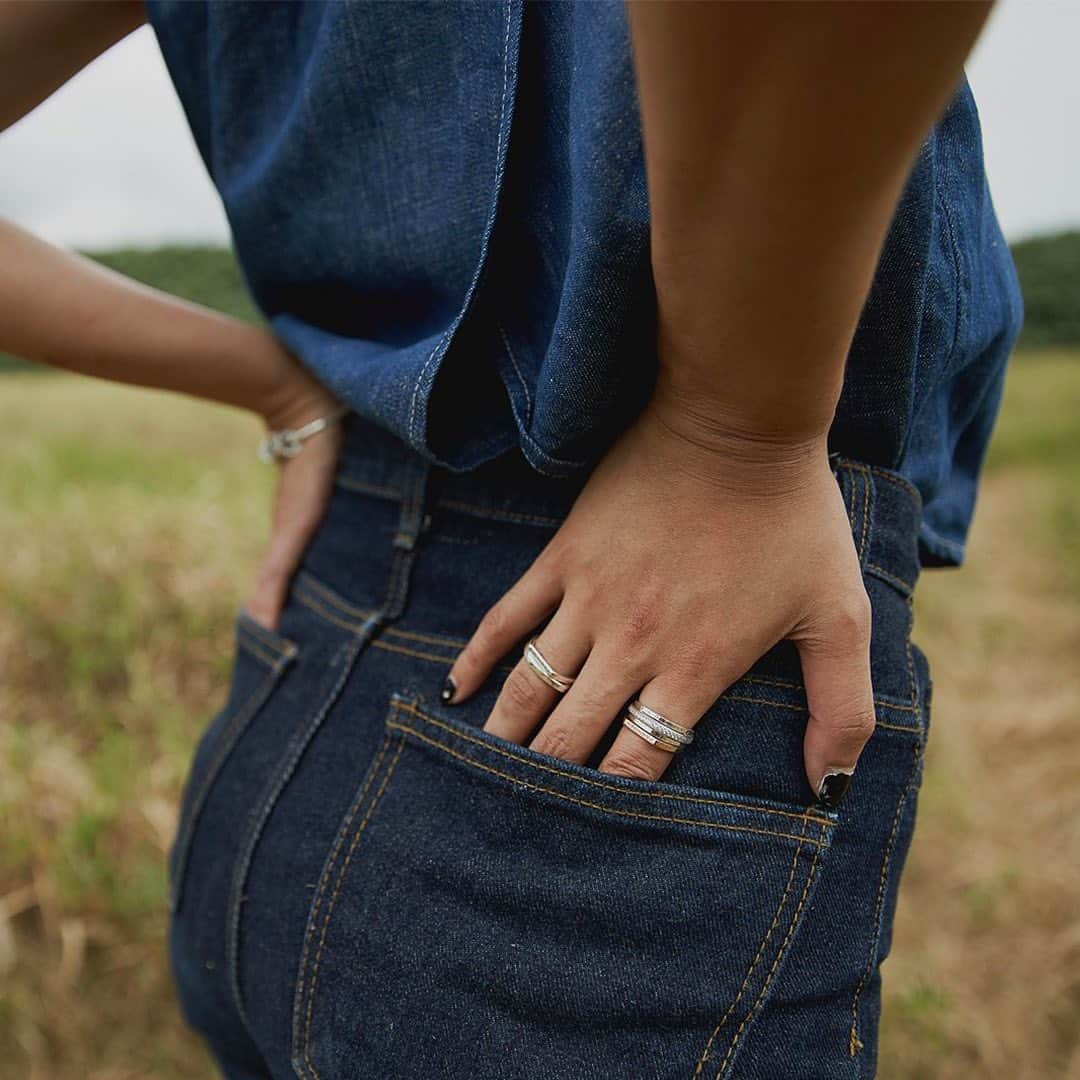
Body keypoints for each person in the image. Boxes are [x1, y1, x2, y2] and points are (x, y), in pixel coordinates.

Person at [0, 2, 1021, 1077]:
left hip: (289, 730)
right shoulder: (730, 442)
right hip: (670, 608)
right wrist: (735, 431)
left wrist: (271, 378)